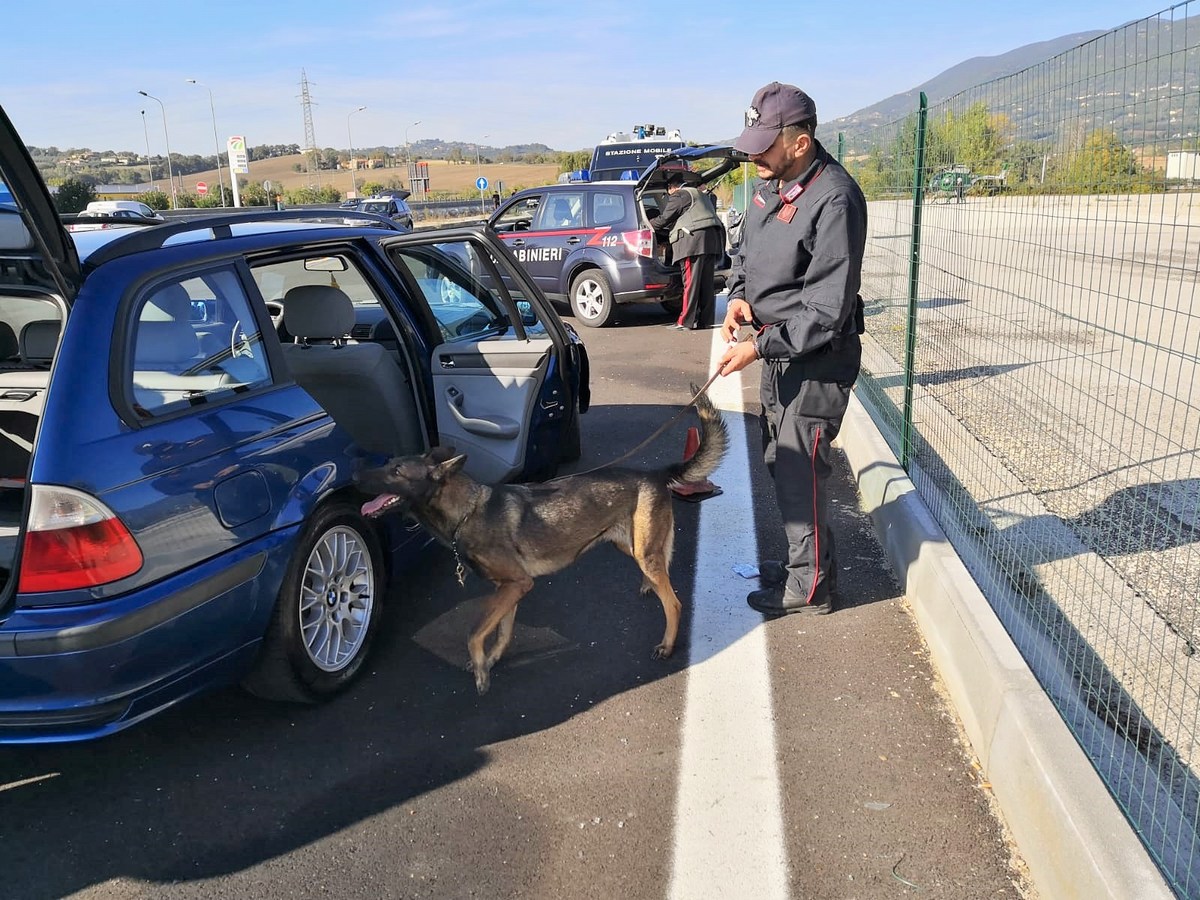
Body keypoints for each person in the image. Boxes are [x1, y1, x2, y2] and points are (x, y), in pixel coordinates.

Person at [717, 81, 867, 616]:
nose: (752, 153)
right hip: (777, 354)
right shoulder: (766, 185)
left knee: (801, 470)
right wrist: (738, 298)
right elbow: (747, 256)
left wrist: (759, 348)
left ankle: (811, 587)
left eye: (764, 142)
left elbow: (826, 311)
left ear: (800, 142)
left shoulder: (835, 199)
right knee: (782, 465)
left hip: (816, 359)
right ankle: (806, 564)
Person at [653, 172, 725, 330]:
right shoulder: (699, 194)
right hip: (712, 241)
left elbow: (665, 218)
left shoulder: (679, 195)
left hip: (692, 243)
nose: (668, 194)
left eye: (668, 191)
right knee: (706, 284)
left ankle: (684, 322)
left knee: (690, 283)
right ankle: (706, 321)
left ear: (672, 187)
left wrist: (647, 225)